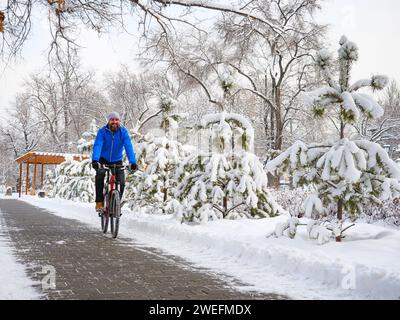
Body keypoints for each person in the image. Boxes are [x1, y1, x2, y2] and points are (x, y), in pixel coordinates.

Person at [91, 111, 137, 213]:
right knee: (100, 175)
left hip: (117, 161)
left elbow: (128, 146)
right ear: (108, 121)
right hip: (103, 160)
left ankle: (115, 205)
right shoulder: (102, 132)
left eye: (116, 120)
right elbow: (98, 145)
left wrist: (132, 162)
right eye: (112, 120)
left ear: (119, 121)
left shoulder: (123, 132)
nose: (114, 122)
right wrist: (95, 160)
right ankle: (99, 202)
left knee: (122, 182)